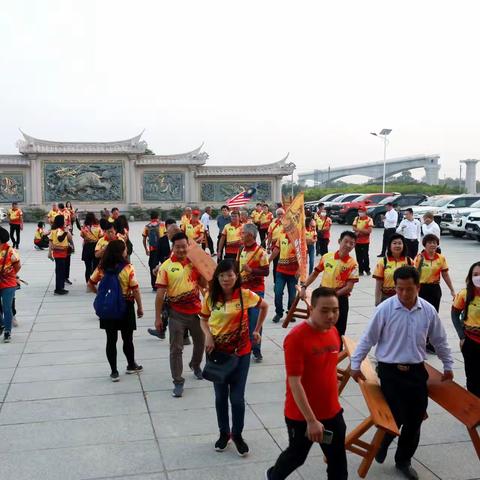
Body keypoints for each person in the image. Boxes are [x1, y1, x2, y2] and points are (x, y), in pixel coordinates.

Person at [351, 266, 454, 480]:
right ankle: (384, 442)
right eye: (399, 289)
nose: (404, 294)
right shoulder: (385, 309)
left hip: (417, 371)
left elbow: (440, 340)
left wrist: (448, 365)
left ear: (418, 287)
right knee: (396, 414)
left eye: (409, 289)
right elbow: (367, 338)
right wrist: (355, 363)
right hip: (390, 371)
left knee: (415, 418)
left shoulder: (427, 310)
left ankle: (403, 460)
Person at [266, 287, 348, 480]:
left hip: (332, 411)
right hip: (301, 415)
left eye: (335, 310)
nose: (331, 315)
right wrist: (311, 421)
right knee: (296, 456)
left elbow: (327, 367)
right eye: (324, 310)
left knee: (338, 461)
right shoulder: (296, 338)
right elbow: (295, 382)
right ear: (312, 309)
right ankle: (273, 476)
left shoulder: (334, 331)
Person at [200, 260, 268, 455]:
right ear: (217, 278)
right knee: (220, 397)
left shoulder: (245, 295)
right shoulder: (210, 297)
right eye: (222, 275)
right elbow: (203, 319)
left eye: (229, 275)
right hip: (217, 354)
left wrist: (256, 330)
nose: (226, 279)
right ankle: (224, 434)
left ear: (236, 276)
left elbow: (264, 306)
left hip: (241, 353)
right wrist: (208, 336)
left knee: (237, 399)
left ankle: (237, 435)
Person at [154, 232, 207, 398]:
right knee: (176, 349)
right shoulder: (166, 267)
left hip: (197, 312)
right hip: (176, 313)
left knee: (201, 341)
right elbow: (160, 294)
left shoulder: (194, 264)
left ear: (188, 246)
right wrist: (157, 318)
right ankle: (178, 381)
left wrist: (201, 268)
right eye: (178, 247)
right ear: (173, 248)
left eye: (184, 246)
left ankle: (195, 365)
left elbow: (204, 284)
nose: (181, 249)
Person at [88, 240, 143, 382]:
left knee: (111, 340)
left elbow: (91, 283)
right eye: (125, 249)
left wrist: (102, 296)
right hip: (125, 305)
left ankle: (114, 371)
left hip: (109, 308)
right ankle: (131, 365)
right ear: (121, 252)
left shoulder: (102, 267)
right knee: (127, 338)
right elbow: (135, 289)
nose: (126, 251)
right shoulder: (128, 268)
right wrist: (140, 307)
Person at [301, 231, 358, 338]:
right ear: (339, 241)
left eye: (352, 243)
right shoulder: (327, 257)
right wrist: (304, 286)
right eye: (346, 241)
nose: (348, 245)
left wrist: (333, 296)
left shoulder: (353, 264)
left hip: (340, 300)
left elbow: (349, 288)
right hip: (322, 297)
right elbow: (315, 273)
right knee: (318, 327)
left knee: (338, 332)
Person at [414, 234, 455, 353]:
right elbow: (415, 274)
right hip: (422, 289)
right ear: (425, 244)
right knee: (422, 316)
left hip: (435, 289)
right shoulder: (419, 258)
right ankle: (421, 341)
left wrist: (452, 289)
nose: (433, 245)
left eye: (435, 242)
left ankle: (430, 342)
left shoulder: (441, 258)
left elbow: (445, 274)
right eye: (430, 242)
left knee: (433, 316)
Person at [237, 223, 269, 362]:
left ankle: (256, 349)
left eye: (243, 233)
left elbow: (266, 271)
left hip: (256, 291)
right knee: (242, 321)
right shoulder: (241, 250)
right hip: (242, 290)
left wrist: (252, 271)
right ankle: (244, 347)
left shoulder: (261, 252)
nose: (241, 235)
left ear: (250, 235)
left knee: (255, 321)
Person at [147, 219, 180, 340]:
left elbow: (175, 260)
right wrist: (159, 266)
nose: (167, 235)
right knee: (167, 306)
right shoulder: (176, 243)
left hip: (177, 281)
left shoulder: (179, 245)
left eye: (169, 233)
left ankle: (162, 330)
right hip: (173, 278)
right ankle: (163, 330)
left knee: (166, 306)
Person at [452, 261, 480, 397]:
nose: (478, 277)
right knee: (473, 377)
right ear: (470, 276)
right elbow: (454, 314)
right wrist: (461, 336)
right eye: (475, 274)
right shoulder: (464, 294)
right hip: (470, 342)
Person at [373, 234, 412, 305]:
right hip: (386, 298)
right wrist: (377, 302)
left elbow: (414, 282)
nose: (397, 245)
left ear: (403, 246)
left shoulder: (409, 261)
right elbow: (378, 284)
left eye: (400, 243)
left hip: (405, 297)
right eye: (394, 243)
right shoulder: (383, 262)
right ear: (389, 246)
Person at [270, 226, 299, 324]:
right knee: (277, 293)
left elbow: (303, 256)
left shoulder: (299, 238)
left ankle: (290, 314)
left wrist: (300, 270)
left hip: (293, 273)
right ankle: (279, 313)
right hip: (280, 271)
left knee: (292, 296)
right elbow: (276, 250)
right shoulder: (281, 235)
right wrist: (268, 260)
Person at [0, 227, 21, 343]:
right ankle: (2, 324)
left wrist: (11, 275)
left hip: (8, 283)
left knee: (7, 308)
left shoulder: (11, 251)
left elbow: (17, 265)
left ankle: (7, 331)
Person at [142, 211, 166, 290]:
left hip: (153, 250)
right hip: (162, 249)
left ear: (151, 217)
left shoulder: (147, 226)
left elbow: (144, 238)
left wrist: (146, 249)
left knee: (152, 266)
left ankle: (154, 285)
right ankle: (164, 283)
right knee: (164, 265)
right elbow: (166, 237)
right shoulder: (162, 225)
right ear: (158, 217)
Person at [48, 215, 72, 295]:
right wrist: (65, 231)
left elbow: (50, 241)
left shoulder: (54, 230)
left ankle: (60, 287)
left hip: (58, 253)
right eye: (64, 220)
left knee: (59, 271)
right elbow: (60, 239)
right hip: (60, 253)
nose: (65, 221)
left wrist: (49, 252)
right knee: (60, 272)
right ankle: (58, 289)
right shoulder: (59, 230)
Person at [80, 212, 102, 284]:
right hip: (96, 246)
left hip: (87, 247)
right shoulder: (97, 227)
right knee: (96, 266)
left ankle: (88, 282)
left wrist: (87, 238)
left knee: (88, 267)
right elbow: (101, 236)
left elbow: (81, 235)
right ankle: (94, 281)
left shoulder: (84, 227)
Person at [352, 206, 373, 276]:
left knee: (365, 256)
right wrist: (362, 230)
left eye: (361, 212)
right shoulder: (356, 218)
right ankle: (360, 270)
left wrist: (359, 230)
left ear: (365, 212)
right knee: (359, 257)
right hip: (357, 241)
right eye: (359, 212)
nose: (360, 213)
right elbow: (353, 228)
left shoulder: (369, 219)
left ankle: (367, 269)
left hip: (365, 241)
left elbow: (369, 231)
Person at [267, 208, 285, 284]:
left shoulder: (287, 223)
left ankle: (283, 280)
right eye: (279, 214)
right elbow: (269, 236)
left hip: (285, 246)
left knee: (283, 264)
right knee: (276, 264)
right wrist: (268, 246)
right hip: (275, 247)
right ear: (276, 215)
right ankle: (276, 282)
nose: (280, 215)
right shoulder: (272, 224)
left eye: (282, 214)